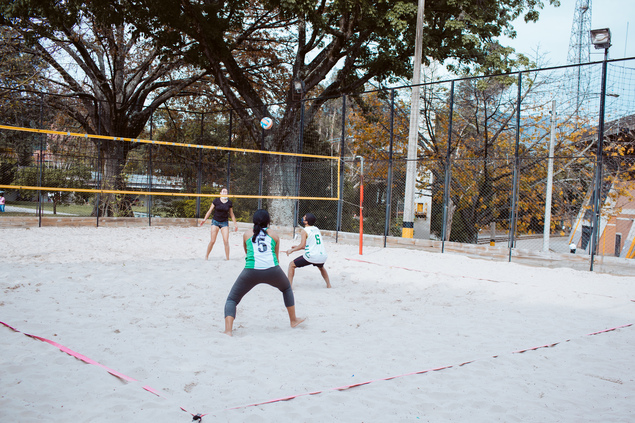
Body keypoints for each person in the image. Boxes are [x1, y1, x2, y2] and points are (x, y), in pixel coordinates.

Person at [223, 209, 305, 336]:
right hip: (272, 269)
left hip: (251, 270)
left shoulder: (247, 234)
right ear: (268, 221)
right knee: (286, 288)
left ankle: (228, 331)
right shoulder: (274, 235)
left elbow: (247, 253)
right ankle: (293, 320)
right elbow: (276, 258)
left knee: (232, 300)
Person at [286, 212, 331, 288]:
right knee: (321, 267)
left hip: (312, 256)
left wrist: (291, 250)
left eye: (304, 217)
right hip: (322, 256)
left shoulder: (304, 231)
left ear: (306, 222)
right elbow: (311, 245)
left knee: (291, 265)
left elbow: (302, 245)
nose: (302, 218)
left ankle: (289, 286)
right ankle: (329, 285)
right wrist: (297, 246)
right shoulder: (316, 229)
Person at [199, 188, 238, 260]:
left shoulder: (229, 202)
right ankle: (206, 256)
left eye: (226, 191)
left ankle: (227, 258)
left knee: (226, 241)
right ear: (220, 193)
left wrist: (235, 224)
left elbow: (232, 214)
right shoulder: (216, 201)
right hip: (215, 222)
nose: (225, 192)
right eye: (223, 191)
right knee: (212, 241)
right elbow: (209, 211)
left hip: (224, 223)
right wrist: (204, 220)